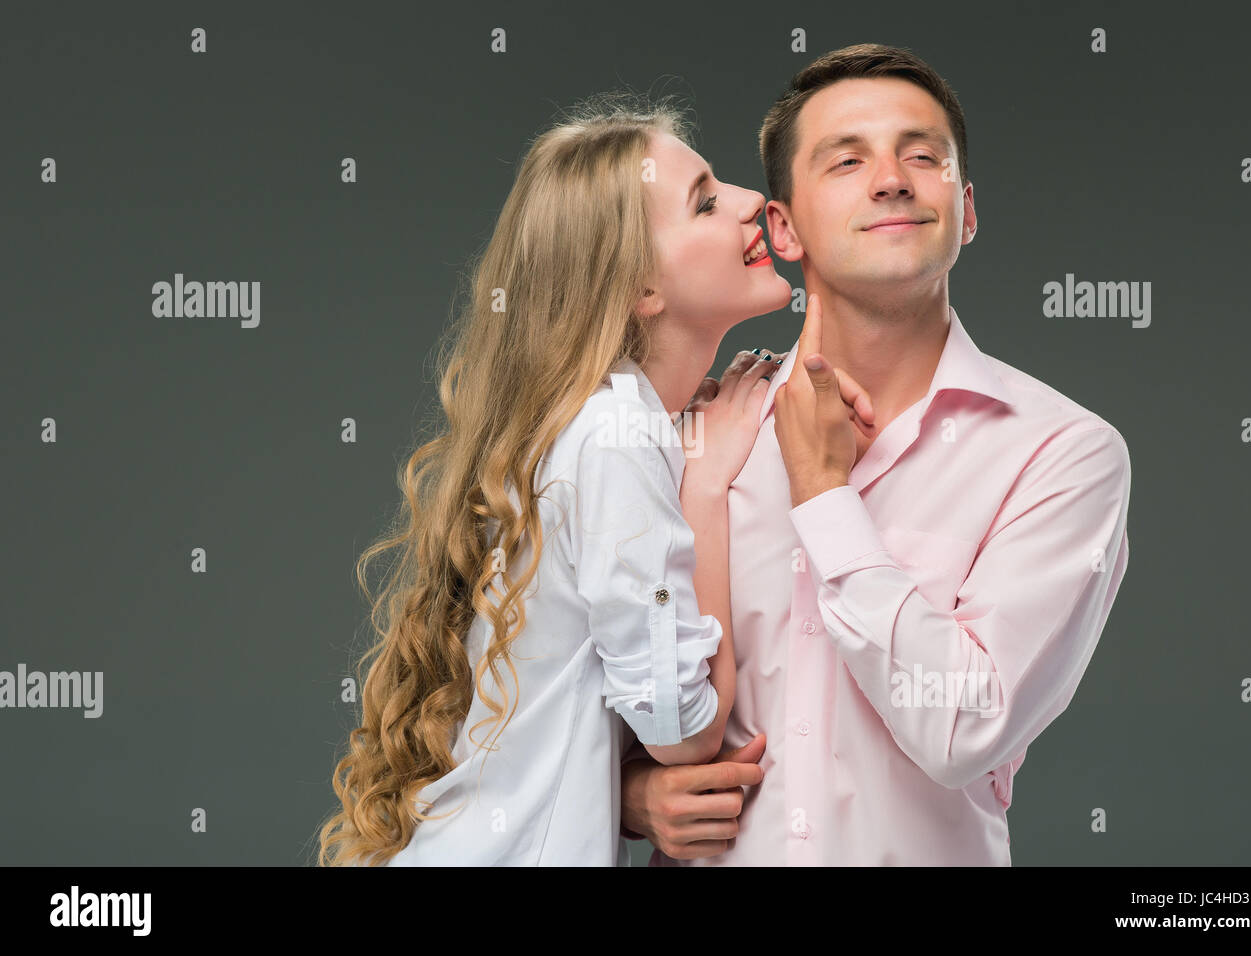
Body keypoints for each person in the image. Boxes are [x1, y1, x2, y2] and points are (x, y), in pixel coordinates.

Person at [315, 93, 872, 866]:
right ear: (642, 288)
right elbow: (684, 727)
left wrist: (631, 793)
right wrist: (704, 491)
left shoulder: (600, 426)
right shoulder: (617, 436)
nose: (750, 202)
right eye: (706, 202)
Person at [620, 43, 1133, 866]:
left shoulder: (1064, 453)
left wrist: (823, 493)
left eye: (922, 156)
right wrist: (632, 794)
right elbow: (578, 678)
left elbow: (967, 727)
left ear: (965, 211)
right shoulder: (691, 433)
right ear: (781, 228)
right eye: (846, 160)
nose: (892, 178)